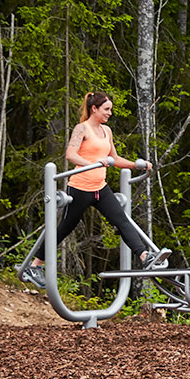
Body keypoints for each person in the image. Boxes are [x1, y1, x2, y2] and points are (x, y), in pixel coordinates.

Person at [20, 92, 168, 286]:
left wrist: (136, 165)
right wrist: (93, 163)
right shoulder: (82, 129)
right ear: (94, 109)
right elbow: (70, 155)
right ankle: (35, 265)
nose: (110, 113)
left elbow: (114, 159)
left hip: (100, 188)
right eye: (107, 109)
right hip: (80, 188)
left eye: (111, 110)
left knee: (122, 220)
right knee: (65, 228)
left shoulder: (106, 131)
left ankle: (144, 256)